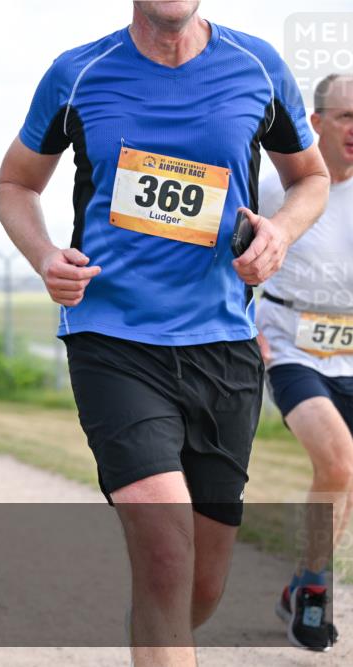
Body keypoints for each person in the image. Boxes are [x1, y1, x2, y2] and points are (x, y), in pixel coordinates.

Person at [0, 3, 329, 665]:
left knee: (196, 585)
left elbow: (310, 177)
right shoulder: (78, 72)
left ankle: (156, 622)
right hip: (113, 339)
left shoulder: (258, 66)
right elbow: (14, 183)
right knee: (167, 547)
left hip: (224, 346)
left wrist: (280, 232)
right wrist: (41, 256)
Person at [257, 73, 352, 652]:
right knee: (340, 460)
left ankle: (301, 583)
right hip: (291, 348)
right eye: (347, 117)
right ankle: (316, 593)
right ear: (315, 123)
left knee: (344, 477)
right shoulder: (277, 189)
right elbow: (229, 254)